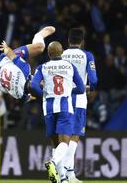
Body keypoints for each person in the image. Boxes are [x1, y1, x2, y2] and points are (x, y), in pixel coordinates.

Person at [30, 41, 85, 183]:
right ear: (62, 53)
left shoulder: (42, 67)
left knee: (56, 145)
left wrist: (44, 94)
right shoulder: (70, 66)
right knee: (64, 143)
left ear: (48, 54)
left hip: (48, 108)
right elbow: (80, 88)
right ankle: (53, 163)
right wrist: (68, 90)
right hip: (65, 107)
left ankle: (62, 179)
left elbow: (34, 85)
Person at [61, 28, 98, 183]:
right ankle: (66, 174)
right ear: (82, 42)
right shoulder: (87, 55)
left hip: (62, 99)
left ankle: (67, 174)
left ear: (68, 41)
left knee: (63, 136)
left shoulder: (61, 55)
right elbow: (94, 80)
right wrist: (89, 88)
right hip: (79, 99)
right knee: (75, 136)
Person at [0, 26, 55, 100]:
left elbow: (10, 54)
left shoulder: (25, 69)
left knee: (40, 48)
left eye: (42, 82)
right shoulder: (21, 96)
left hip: (5, 60)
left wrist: (5, 47)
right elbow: (29, 96)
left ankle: (38, 36)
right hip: (1, 82)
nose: (43, 80)